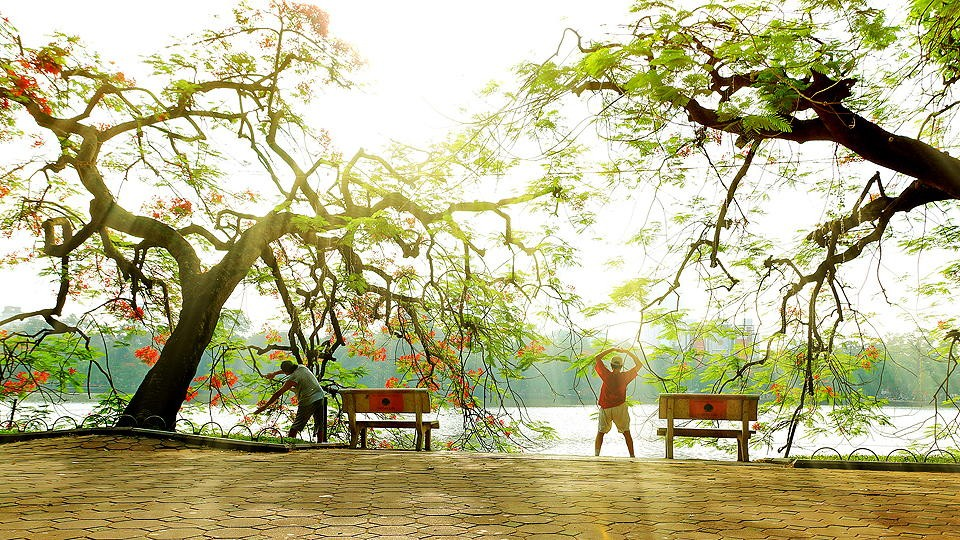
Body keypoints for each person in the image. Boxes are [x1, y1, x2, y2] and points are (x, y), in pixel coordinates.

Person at [252, 360, 326, 440]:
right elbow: (286, 371)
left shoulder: (293, 378)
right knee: (319, 423)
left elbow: (278, 393)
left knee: (296, 425)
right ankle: (320, 444)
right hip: (320, 396)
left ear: (287, 371)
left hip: (308, 400)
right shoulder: (301, 367)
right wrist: (274, 374)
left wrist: (265, 406)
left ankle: (290, 441)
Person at [594, 347, 641, 457]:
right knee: (626, 432)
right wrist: (628, 352)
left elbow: (597, 358)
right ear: (621, 366)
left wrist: (611, 349)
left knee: (601, 432)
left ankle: (596, 455)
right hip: (620, 407)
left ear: (611, 365)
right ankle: (632, 456)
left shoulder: (606, 375)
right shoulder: (625, 376)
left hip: (605, 408)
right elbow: (639, 365)